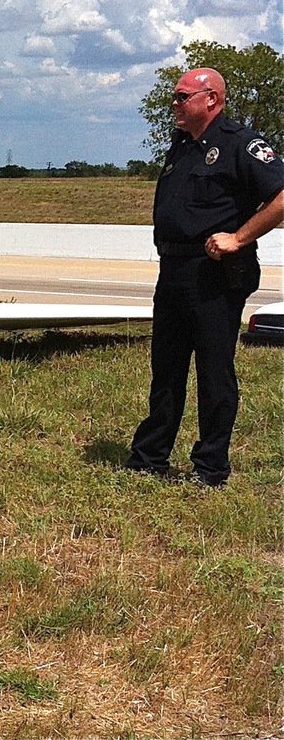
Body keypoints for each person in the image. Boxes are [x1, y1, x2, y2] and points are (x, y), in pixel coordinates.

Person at [125, 67, 283, 487]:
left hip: (214, 274)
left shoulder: (239, 144)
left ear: (210, 99)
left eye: (181, 97)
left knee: (214, 371)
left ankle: (210, 469)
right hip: (173, 271)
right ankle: (149, 458)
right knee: (167, 368)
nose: (173, 105)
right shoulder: (182, 146)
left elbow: (282, 194)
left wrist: (239, 237)